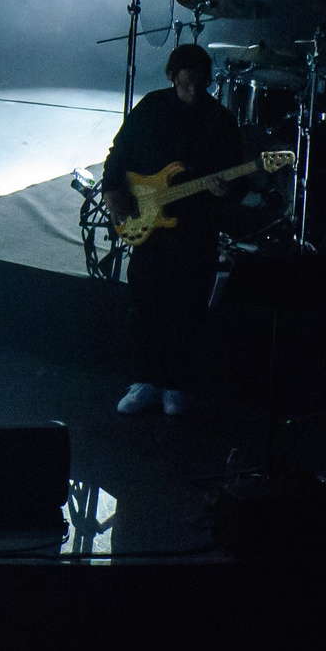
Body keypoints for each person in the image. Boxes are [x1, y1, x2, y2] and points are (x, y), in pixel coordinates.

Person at [104, 43, 246, 416]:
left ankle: (176, 384)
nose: (193, 91)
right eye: (186, 84)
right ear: (172, 77)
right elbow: (119, 152)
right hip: (149, 223)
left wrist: (227, 189)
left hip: (196, 229)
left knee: (188, 306)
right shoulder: (152, 107)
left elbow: (238, 181)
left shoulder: (220, 120)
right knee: (145, 302)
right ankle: (144, 380)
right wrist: (114, 195)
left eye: (200, 84)